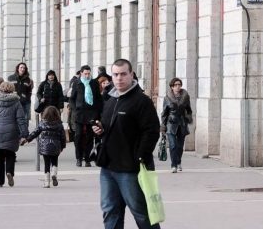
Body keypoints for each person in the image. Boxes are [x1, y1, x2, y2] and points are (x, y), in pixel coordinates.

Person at [92, 59, 162, 229]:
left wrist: (140, 156)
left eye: (123, 74)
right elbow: (110, 126)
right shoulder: (110, 99)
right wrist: (100, 129)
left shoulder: (141, 101)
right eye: (115, 74)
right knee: (110, 211)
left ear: (131, 75)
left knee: (141, 213)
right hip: (108, 168)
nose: (119, 78)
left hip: (131, 169)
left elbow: (152, 131)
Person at [0, 80, 28, 187]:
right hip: (11, 130)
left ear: (1, 88)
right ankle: (9, 172)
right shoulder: (16, 102)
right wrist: (25, 134)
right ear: (12, 89)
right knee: (10, 154)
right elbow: (21, 119)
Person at [22, 106, 67, 188]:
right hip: (56, 146)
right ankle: (54, 174)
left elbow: (35, 133)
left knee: (46, 164)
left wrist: (27, 140)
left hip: (45, 147)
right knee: (54, 161)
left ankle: (47, 182)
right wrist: (63, 146)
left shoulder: (42, 123)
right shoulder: (59, 124)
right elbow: (63, 137)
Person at [69, 65, 103, 167]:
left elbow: (98, 98)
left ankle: (87, 159)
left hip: (92, 113)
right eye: (85, 74)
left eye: (89, 73)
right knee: (78, 136)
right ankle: (79, 158)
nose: (87, 75)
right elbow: (72, 99)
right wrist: (75, 109)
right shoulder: (77, 83)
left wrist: (99, 112)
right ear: (81, 73)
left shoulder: (94, 83)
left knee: (89, 137)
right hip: (79, 114)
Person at [160, 77, 193, 173]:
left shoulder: (185, 97)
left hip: (182, 123)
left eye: (179, 85)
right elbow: (164, 113)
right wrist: (163, 126)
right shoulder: (167, 98)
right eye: (176, 85)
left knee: (180, 146)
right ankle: (173, 165)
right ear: (172, 87)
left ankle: (178, 162)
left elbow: (189, 110)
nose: (178, 87)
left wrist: (188, 117)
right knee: (173, 145)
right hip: (171, 123)